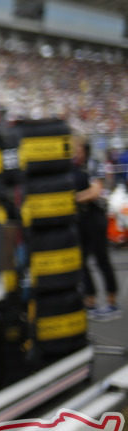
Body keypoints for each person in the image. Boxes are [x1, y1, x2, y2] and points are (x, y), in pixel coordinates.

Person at [73, 137, 121, 320]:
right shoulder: (73, 167)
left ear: (83, 148)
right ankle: (90, 301)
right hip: (80, 219)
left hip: (95, 217)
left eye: (76, 147)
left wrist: (72, 198)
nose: (74, 151)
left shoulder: (94, 163)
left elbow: (95, 191)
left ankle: (112, 302)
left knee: (102, 260)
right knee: (81, 261)